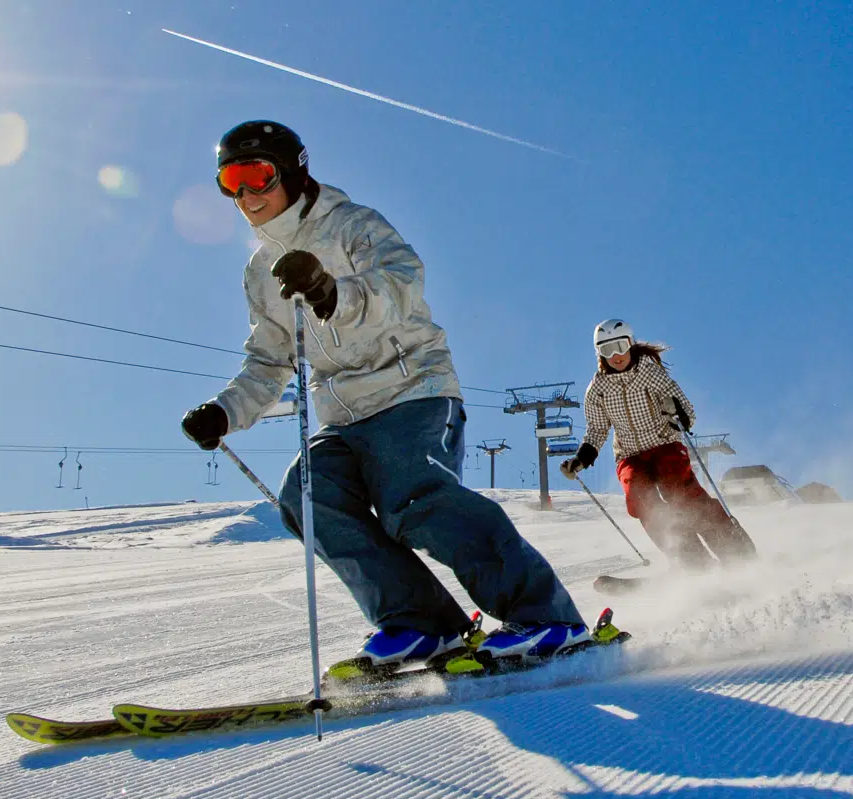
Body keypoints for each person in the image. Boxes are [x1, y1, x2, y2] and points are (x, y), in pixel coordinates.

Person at [180, 120, 590, 676]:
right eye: (231, 181)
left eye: (257, 175)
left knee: (413, 496)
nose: (246, 195)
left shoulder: (352, 225)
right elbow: (270, 358)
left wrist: (331, 292)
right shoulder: (259, 271)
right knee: (308, 498)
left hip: (411, 389)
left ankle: (545, 615)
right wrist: (226, 411)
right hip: (342, 413)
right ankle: (423, 625)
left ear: (294, 171)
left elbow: (403, 284)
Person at [561, 319, 756, 570]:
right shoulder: (597, 389)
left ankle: (731, 548)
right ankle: (693, 560)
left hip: (664, 444)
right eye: (607, 350)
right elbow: (597, 429)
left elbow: (684, 408)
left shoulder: (648, 371)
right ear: (599, 353)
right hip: (629, 455)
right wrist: (581, 459)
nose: (616, 355)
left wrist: (677, 415)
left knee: (679, 491)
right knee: (640, 501)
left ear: (630, 344)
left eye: (620, 346)